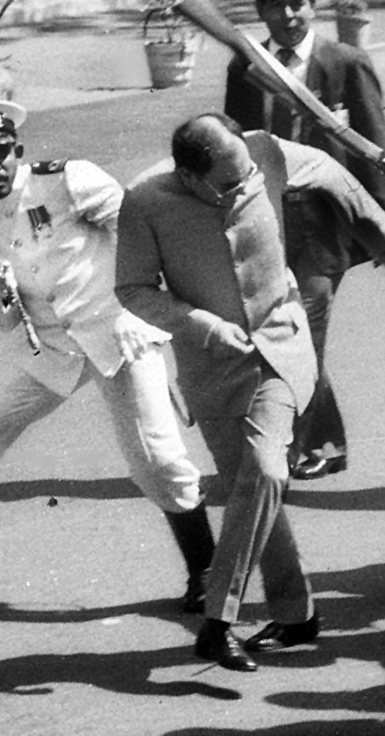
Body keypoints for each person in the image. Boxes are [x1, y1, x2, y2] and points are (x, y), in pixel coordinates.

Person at [0, 101, 214, 616]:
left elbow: (141, 233)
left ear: (17, 150)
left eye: (2, 152)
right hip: (56, 350)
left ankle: (208, 573)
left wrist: (142, 307)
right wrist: (4, 292)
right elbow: (1, 321)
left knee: (155, 457)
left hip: (117, 334)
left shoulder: (67, 180)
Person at [116, 113, 325, 671]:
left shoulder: (263, 157)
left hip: (279, 350)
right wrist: (202, 325)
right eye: (229, 182)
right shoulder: (144, 202)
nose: (245, 184)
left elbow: (335, 173)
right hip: (211, 370)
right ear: (189, 177)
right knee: (250, 490)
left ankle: (218, 621)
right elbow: (132, 288)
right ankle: (298, 614)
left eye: (247, 173)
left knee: (267, 471)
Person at [225, 0, 385, 481]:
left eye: (297, 3)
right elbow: (236, 146)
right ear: (261, 11)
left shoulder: (344, 62)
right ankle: (322, 439)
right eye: (277, 5)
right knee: (280, 333)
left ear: (313, 6)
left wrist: (382, 227)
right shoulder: (246, 68)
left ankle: (300, 445)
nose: (289, 15)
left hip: (324, 222)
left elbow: (375, 147)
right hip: (269, 220)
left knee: (305, 331)